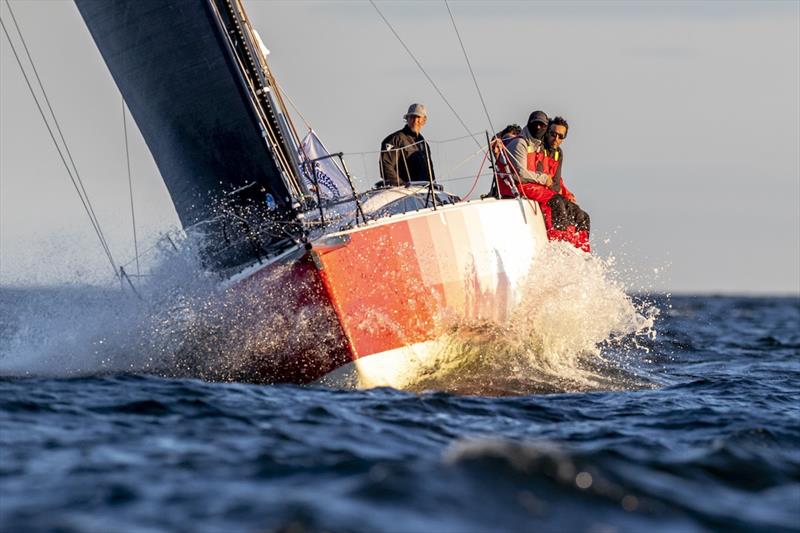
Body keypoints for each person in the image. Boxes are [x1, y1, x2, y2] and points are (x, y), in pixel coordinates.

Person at [379, 103, 436, 186]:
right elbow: (386, 166)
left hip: (423, 193)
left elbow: (429, 171)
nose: (415, 121)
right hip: (401, 192)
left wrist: (433, 187)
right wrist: (402, 185)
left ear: (424, 121)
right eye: (412, 117)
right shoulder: (395, 140)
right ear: (407, 119)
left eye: (418, 117)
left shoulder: (424, 144)